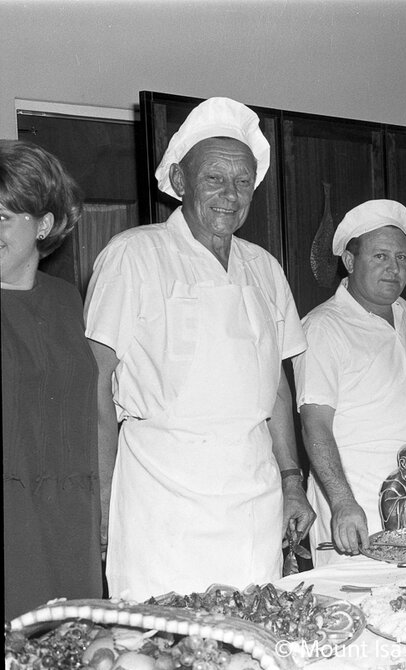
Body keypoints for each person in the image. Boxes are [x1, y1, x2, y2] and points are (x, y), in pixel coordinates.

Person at [84, 97, 314, 600]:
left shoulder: (265, 268)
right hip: (162, 502)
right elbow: (96, 381)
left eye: (242, 181)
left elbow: (275, 384)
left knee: (252, 639)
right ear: (181, 181)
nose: (230, 195)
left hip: (253, 500)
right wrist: (101, 500)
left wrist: (292, 480)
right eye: (214, 178)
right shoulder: (132, 256)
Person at [293, 199, 406, 560]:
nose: (394, 269)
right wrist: (342, 502)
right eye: (380, 256)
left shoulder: (405, 313)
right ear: (350, 262)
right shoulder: (324, 327)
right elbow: (315, 426)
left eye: (401, 258)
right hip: (356, 512)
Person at [1, 140, 102, 619]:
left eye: (3, 217)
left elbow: (97, 407)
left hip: (71, 515)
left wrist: (103, 508)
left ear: (43, 224)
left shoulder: (69, 300)